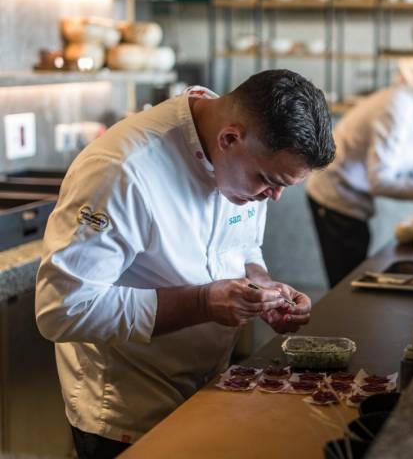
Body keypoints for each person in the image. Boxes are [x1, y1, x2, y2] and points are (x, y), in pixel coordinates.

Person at [35, 70, 335, 458]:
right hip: (129, 412)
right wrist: (203, 303)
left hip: (208, 391)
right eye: (267, 181)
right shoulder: (122, 170)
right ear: (228, 139)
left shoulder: (240, 155)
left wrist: (263, 287)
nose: (273, 197)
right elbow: (61, 311)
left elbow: (243, 246)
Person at [306, 81, 413, 287]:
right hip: (334, 196)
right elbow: (380, 182)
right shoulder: (395, 110)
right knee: (344, 284)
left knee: (354, 274)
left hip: (355, 197)